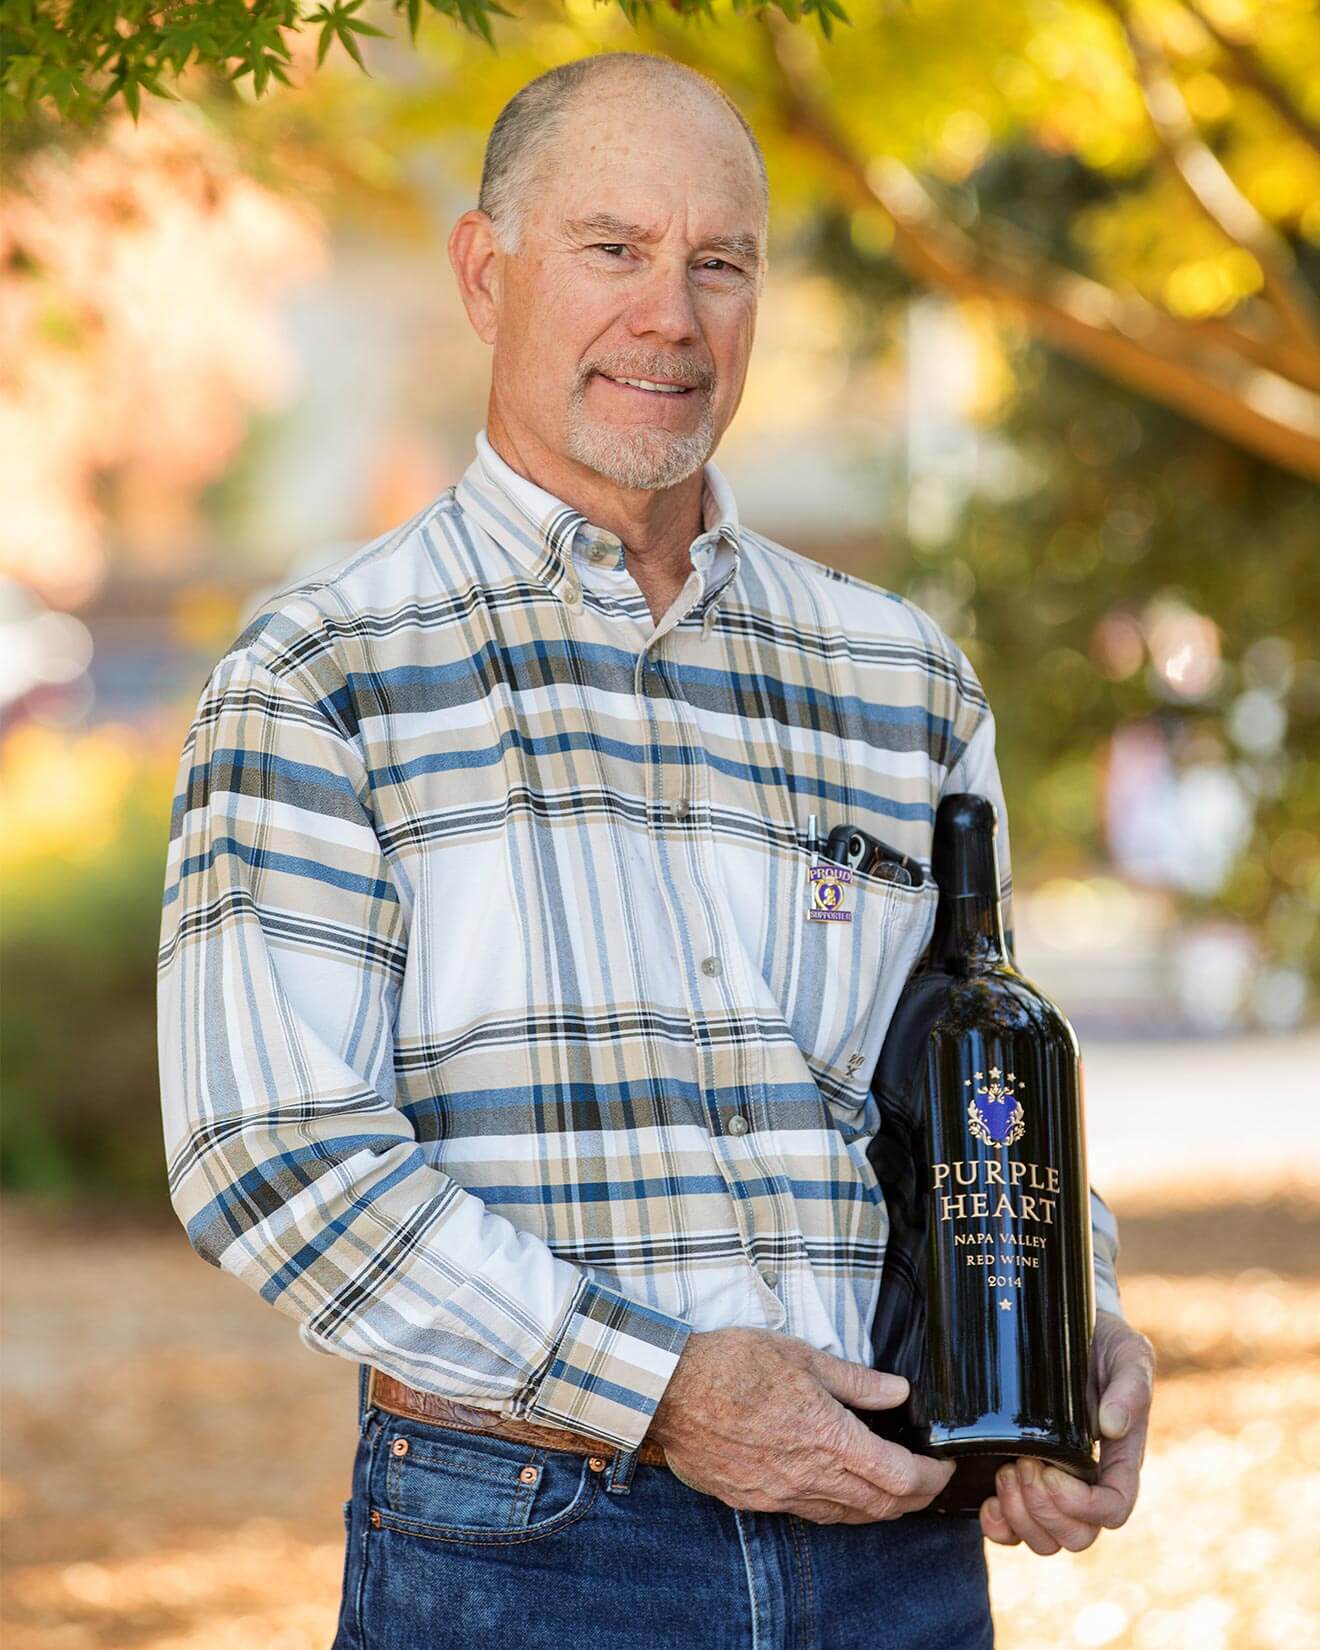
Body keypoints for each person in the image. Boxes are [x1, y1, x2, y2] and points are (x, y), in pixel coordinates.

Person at [156, 50, 1155, 1650]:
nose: (671, 316)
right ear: (489, 275)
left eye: (720, 262)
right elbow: (271, 1154)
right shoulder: (320, 676)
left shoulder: (904, 682)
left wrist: (1068, 1313)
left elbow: (985, 1094)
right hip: (528, 1552)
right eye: (613, 249)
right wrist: (663, 1389)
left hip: (893, 1554)